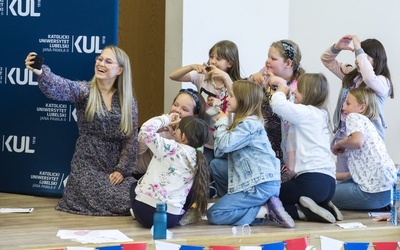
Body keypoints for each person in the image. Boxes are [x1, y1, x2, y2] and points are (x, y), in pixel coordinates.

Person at [24, 46, 138, 216]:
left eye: (108, 61)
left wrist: (121, 170)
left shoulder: (128, 101)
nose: (101, 63)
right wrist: (41, 71)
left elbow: (130, 139)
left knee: (137, 195)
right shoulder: (85, 91)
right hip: (87, 166)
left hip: (113, 169)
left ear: (120, 70)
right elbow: (61, 86)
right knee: (112, 197)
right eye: (99, 59)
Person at [207, 80, 294, 228]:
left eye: (231, 96)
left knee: (215, 214)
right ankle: (259, 208)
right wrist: (224, 122)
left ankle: (264, 211)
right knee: (216, 165)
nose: (227, 99)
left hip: (260, 184)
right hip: (255, 181)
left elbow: (224, 144)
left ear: (243, 100)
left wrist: (221, 123)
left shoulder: (249, 124)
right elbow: (219, 152)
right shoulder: (242, 123)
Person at [321, 34, 393, 179]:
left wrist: (359, 49)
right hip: (345, 135)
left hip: (366, 140)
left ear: (377, 60)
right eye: (358, 55)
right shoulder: (352, 75)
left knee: (364, 178)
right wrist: (337, 47)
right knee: (343, 178)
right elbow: (326, 60)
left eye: (365, 57)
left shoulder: (382, 82)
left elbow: (369, 78)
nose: (359, 60)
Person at [270, 73, 340, 223]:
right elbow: (290, 109)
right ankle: (325, 207)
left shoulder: (305, 113)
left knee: (271, 195)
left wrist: (281, 89)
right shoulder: (321, 114)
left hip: (311, 183)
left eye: (298, 89)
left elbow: (277, 104)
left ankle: (301, 212)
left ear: (308, 93)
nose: (294, 91)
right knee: (289, 191)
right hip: (329, 185)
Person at [169, 40, 242, 164]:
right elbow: (173, 76)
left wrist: (225, 77)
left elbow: (237, 101)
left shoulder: (235, 84)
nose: (212, 61)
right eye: (211, 57)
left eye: (218, 59)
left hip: (223, 140)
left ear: (230, 63)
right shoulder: (203, 78)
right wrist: (192, 66)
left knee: (218, 169)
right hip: (204, 139)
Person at [130, 115, 210, 229]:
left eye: (177, 128)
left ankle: (134, 211)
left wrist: (166, 119)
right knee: (192, 188)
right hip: (171, 219)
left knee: (133, 186)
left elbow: (146, 130)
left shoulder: (170, 146)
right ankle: (184, 213)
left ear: (183, 136)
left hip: (144, 213)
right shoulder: (199, 159)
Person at [249, 40, 305, 183]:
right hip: (265, 141)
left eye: (273, 59)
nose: (268, 61)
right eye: (268, 57)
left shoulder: (300, 85)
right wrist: (252, 79)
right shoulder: (265, 74)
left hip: (287, 148)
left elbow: (293, 112)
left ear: (288, 63)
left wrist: (281, 85)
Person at [331, 88, 397, 210]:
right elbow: (357, 174)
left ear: (362, 108)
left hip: (373, 193)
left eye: (348, 103)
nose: (343, 107)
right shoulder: (369, 126)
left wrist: (339, 144)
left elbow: (356, 141)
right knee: (330, 189)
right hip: (388, 193)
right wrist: (331, 174)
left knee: (323, 194)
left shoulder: (354, 117)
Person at [134, 88, 206, 180]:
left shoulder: (195, 137)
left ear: (195, 117)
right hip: (142, 174)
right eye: (175, 105)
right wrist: (156, 131)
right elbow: (135, 154)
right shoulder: (158, 124)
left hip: (168, 179)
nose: (177, 110)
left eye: (184, 109)